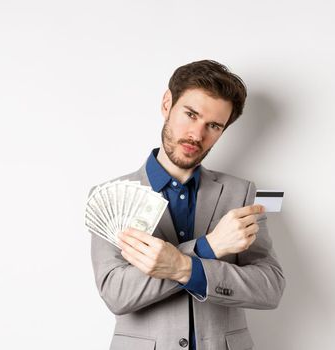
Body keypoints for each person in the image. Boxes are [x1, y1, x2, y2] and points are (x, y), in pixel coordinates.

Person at [89, 60, 285, 350]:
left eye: (214, 126)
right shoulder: (109, 197)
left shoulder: (242, 193)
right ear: (167, 103)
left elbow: (270, 288)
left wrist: (185, 267)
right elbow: (117, 295)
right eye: (190, 114)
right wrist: (207, 249)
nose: (197, 134)